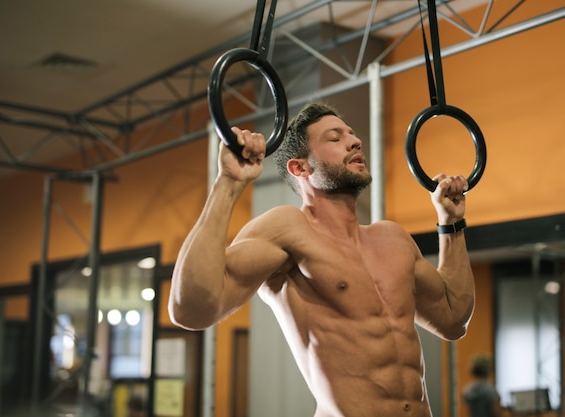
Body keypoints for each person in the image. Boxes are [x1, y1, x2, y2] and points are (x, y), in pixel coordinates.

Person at [168, 102, 475, 417]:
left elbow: (453, 319)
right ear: (300, 168)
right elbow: (190, 309)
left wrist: (451, 225)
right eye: (334, 138)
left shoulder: (393, 239)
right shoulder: (288, 230)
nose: (354, 141)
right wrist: (229, 184)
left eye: (352, 135)